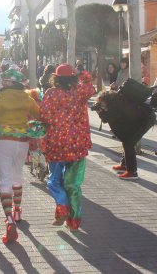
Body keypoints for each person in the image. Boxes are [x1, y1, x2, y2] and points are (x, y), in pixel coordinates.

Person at [0, 69, 39, 244]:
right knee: (17, 176)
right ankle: (18, 211)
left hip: (3, 141)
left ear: (10, 83)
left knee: (4, 179)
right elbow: (40, 116)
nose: (2, 84)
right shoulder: (28, 98)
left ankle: (9, 220)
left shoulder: (1, 97)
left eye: (5, 81)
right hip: (23, 142)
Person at [40, 65, 95, 231]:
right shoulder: (80, 92)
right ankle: (74, 221)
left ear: (55, 79)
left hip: (56, 145)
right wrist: (81, 74)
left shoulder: (50, 94)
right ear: (73, 78)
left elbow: (44, 117)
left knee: (54, 181)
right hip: (77, 145)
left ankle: (62, 206)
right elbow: (90, 85)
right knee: (74, 185)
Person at [96, 90, 155, 180]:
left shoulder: (116, 105)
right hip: (141, 118)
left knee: (129, 143)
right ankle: (125, 165)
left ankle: (132, 172)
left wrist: (100, 112)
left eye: (102, 103)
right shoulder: (117, 101)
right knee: (126, 140)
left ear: (107, 100)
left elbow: (106, 118)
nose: (102, 105)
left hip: (146, 120)